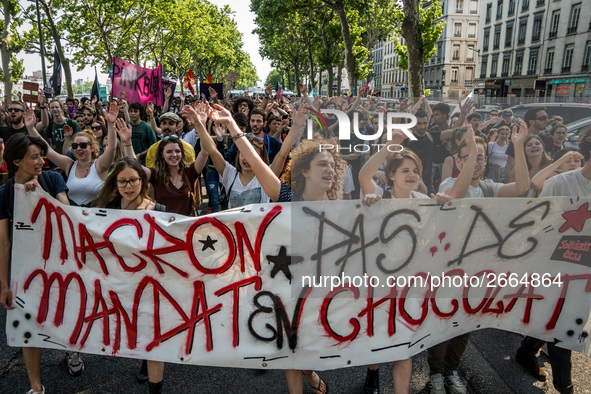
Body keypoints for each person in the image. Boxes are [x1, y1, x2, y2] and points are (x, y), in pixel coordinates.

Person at [203, 102, 333, 394]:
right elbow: (254, 159)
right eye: (321, 164)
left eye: (332, 165)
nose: (329, 170)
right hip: (287, 281)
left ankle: (309, 370)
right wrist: (235, 128)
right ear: (305, 173)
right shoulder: (287, 197)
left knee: (306, 340)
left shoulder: (343, 208)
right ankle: (306, 379)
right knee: (290, 340)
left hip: (321, 284)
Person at [429, 122, 529, 394]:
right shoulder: (450, 182)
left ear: (485, 161)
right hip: (447, 268)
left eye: (480, 156)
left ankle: (451, 371)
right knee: (442, 322)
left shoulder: (489, 188)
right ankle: (436, 374)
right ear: (459, 160)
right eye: (468, 155)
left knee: (466, 323)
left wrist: (517, 148)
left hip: (477, 270)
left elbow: (522, 186)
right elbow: (456, 196)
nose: (474, 160)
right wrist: (472, 151)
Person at [0, 133, 79, 394]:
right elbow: (4, 243)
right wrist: (4, 284)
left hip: (60, 264)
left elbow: (67, 217)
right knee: (26, 326)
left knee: (65, 314)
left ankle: (72, 351)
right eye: (34, 157)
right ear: (16, 161)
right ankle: (36, 387)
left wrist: (43, 196)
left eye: (40, 155)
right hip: (24, 272)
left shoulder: (52, 179)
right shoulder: (4, 194)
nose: (41, 162)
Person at [514, 128, 591, 394]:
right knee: (564, 330)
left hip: (586, 276)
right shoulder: (561, 184)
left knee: (557, 322)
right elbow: (540, 228)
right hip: (559, 272)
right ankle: (564, 388)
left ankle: (526, 351)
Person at [25, 103, 119, 206]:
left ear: (92, 148)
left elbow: (112, 148)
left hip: (95, 218)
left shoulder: (100, 165)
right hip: (72, 219)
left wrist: (111, 123)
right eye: (75, 146)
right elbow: (47, 150)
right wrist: (31, 128)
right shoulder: (69, 165)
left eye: (83, 145)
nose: (78, 149)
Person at [117, 119, 207, 217]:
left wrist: (201, 125)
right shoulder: (155, 174)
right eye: (169, 152)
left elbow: (205, 152)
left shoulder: (190, 171)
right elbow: (135, 167)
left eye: (177, 151)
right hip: (161, 228)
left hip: (185, 228)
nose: (174, 155)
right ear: (162, 154)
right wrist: (127, 142)